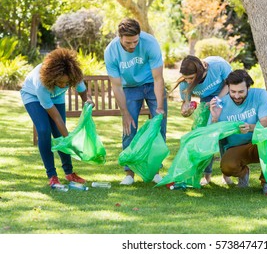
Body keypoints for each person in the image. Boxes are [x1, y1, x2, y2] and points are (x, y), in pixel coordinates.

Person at [104, 17, 167, 185]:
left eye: (135, 42)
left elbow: (158, 78)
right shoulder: (111, 52)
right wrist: (125, 113)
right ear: (120, 38)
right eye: (128, 43)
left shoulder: (149, 43)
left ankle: (155, 171)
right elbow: (116, 86)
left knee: (158, 127)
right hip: (129, 88)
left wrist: (160, 106)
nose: (132, 46)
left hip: (152, 84)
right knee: (129, 128)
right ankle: (129, 174)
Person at [20, 48, 94, 187]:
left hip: (56, 97)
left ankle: (69, 173)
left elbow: (84, 94)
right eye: (59, 82)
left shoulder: (73, 76)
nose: (62, 85)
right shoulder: (41, 84)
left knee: (59, 133)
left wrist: (88, 101)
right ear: (52, 77)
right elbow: (57, 119)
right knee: (44, 130)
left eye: (66, 83)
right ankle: (52, 176)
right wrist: (70, 141)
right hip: (32, 96)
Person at [209, 69, 267, 194]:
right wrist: (215, 118)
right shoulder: (220, 104)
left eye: (241, 91)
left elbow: (266, 123)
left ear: (248, 88)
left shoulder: (260, 95)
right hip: (236, 147)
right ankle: (243, 173)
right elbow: (212, 136)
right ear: (228, 88)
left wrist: (250, 127)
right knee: (227, 167)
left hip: (259, 143)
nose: (237, 96)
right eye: (232, 91)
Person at [171, 55, 233, 186]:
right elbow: (185, 104)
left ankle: (226, 175)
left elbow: (230, 84)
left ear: (200, 72)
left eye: (191, 78)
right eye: (186, 78)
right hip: (206, 103)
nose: (188, 81)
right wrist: (185, 111)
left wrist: (216, 100)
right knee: (206, 138)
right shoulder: (184, 83)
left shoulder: (218, 65)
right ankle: (207, 176)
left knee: (225, 138)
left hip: (226, 98)